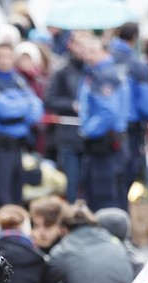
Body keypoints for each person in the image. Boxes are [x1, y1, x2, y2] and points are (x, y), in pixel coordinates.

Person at [0, 42, 43, 225]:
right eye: (0, 56)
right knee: (0, 197)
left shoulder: (18, 80)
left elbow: (36, 105)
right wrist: (23, 107)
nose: (5, 61)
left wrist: (19, 109)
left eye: (8, 56)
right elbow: (4, 111)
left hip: (17, 147)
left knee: (17, 194)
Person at [77, 36, 130, 212]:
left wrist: (87, 130)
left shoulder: (105, 77)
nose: (88, 55)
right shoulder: (100, 74)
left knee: (104, 197)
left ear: (106, 52)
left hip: (105, 144)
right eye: (87, 50)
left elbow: (109, 113)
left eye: (93, 51)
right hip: (110, 143)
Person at [110, 22, 148, 193]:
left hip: (106, 129)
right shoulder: (136, 65)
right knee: (126, 175)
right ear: (134, 39)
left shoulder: (105, 60)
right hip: (131, 128)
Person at [44, 30, 88, 203]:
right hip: (69, 135)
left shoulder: (92, 69)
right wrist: (72, 105)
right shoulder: (62, 70)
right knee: (72, 183)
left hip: (91, 138)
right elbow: (50, 99)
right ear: (71, 45)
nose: (83, 49)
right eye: (80, 44)